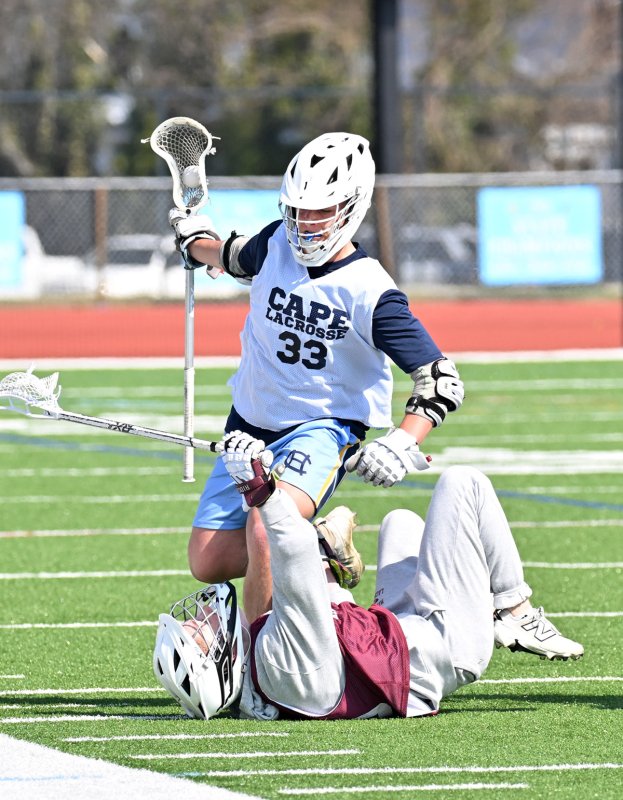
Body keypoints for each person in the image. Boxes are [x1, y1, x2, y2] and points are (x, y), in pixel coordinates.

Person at [168, 131, 465, 619]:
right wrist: (193, 237)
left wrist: (402, 441)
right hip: (249, 425)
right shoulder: (274, 242)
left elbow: (441, 379)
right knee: (209, 560)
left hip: (323, 427)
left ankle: (260, 668)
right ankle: (322, 546)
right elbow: (228, 256)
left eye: (319, 212)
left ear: (351, 207)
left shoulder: (372, 291)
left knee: (267, 527)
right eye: (297, 210)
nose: (304, 224)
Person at [153, 432, 584, 722]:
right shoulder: (281, 665)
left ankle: (333, 561)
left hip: (396, 630)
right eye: (197, 636)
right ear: (219, 665)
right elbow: (292, 555)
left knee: (400, 521)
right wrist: (259, 487)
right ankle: (514, 610)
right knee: (463, 483)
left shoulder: (268, 672)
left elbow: (322, 617)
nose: (198, 619)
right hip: (449, 648)